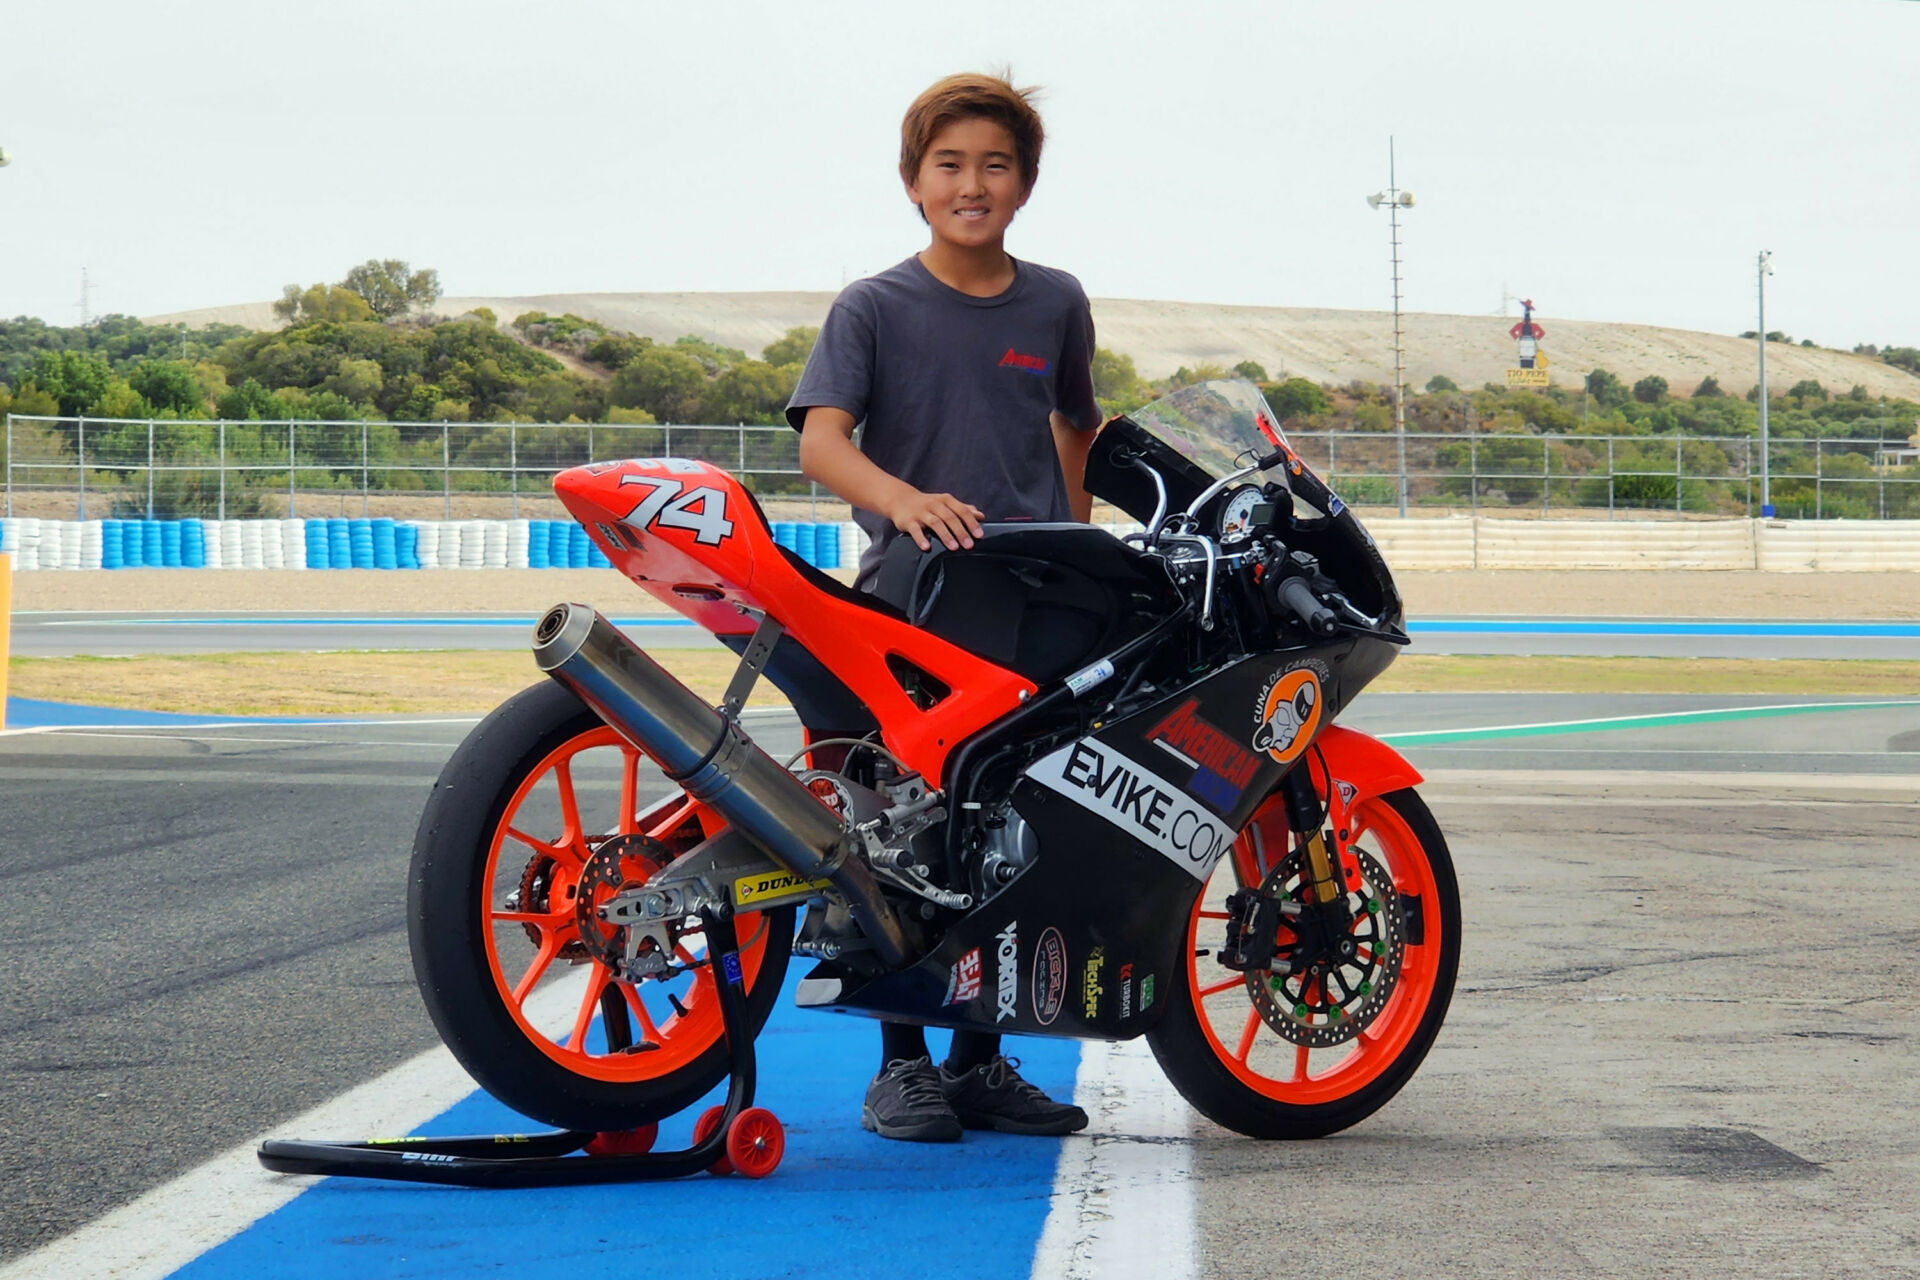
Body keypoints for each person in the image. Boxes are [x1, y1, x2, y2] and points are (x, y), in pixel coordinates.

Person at [786, 71, 1100, 1143]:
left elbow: (1074, 427)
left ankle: (980, 1062)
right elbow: (822, 438)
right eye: (951, 164)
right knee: (905, 836)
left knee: (1017, 829)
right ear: (915, 182)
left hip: (1034, 603)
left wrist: (1081, 541)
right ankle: (902, 1064)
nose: (973, 184)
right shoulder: (873, 306)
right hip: (912, 605)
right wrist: (905, 502)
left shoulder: (1055, 300)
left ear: (1025, 185)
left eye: (996, 165)